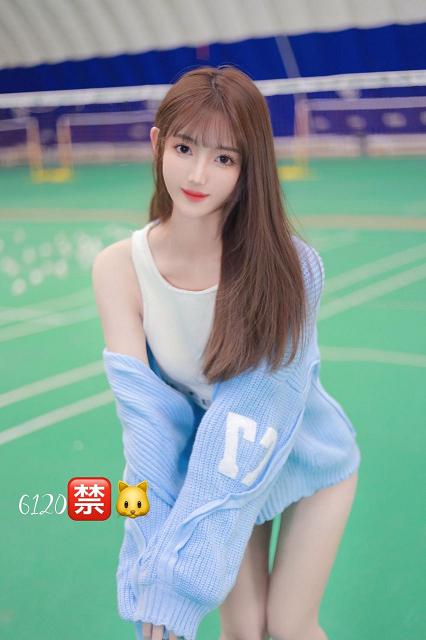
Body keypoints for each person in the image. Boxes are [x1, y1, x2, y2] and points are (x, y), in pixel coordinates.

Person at [92, 65, 361, 640]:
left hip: (302, 458)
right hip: (212, 466)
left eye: (223, 158)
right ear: (157, 143)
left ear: (249, 167)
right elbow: (147, 429)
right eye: (184, 148)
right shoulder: (118, 269)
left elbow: (252, 415)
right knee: (241, 632)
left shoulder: (290, 268)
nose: (198, 174)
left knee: (287, 626)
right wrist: (148, 569)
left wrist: (180, 577)